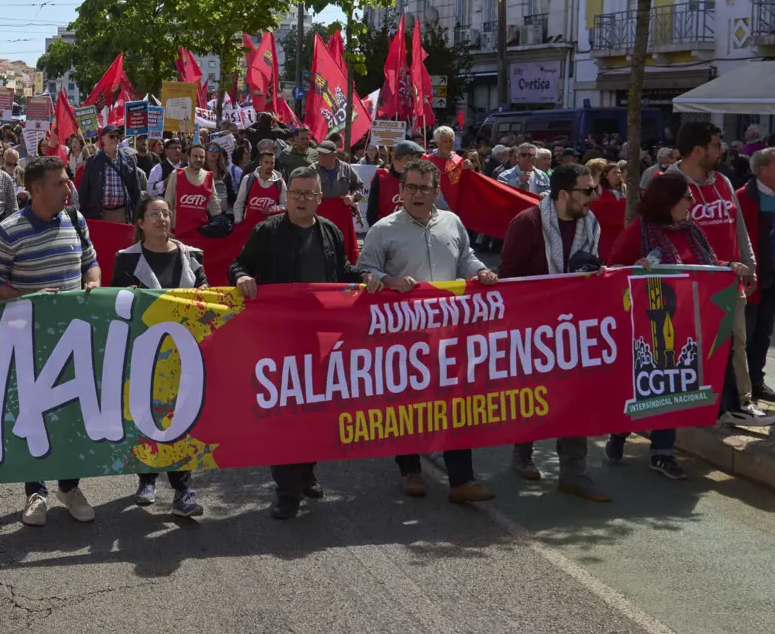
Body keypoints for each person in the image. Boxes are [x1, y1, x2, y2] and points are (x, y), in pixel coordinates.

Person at [606, 173, 770, 477]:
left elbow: (707, 262)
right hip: (651, 324)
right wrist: (634, 267)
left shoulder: (692, 230)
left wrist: (729, 266)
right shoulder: (637, 232)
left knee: (674, 385)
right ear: (668, 202)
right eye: (687, 198)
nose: (692, 203)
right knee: (650, 387)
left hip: (689, 323)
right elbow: (612, 269)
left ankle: (662, 452)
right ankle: (620, 431)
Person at [230, 166, 371, 520]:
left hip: (323, 338)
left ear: (320, 199)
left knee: (318, 411)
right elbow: (239, 264)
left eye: (309, 194)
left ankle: (307, 472)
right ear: (286, 195)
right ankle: (286, 491)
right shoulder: (267, 232)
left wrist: (370, 276)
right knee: (284, 415)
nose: (302, 200)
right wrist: (243, 276)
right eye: (296, 193)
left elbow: (342, 271)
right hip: (279, 340)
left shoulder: (331, 232)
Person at [359, 158, 498, 505]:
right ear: (401, 190)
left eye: (424, 188)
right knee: (407, 403)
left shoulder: (452, 222)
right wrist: (387, 279)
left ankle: (462, 479)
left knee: (455, 405)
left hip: (450, 333)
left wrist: (480, 272)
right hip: (404, 337)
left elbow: (466, 257)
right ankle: (410, 470)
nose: (417, 193)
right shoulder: (383, 229)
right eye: (410, 187)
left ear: (437, 191)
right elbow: (365, 269)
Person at [0, 156, 100, 526]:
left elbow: (90, 263)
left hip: (75, 339)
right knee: (34, 416)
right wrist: (26, 296)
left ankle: (69, 486)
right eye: (60, 183)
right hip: (29, 341)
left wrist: (93, 282)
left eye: (67, 181)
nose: (68, 188)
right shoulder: (8, 231)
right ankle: (36, 491)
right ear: (35, 189)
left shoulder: (76, 221)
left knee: (73, 416)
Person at [498, 164, 611, 501]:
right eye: (587, 191)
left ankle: (574, 473)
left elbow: (592, 266)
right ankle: (523, 455)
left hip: (576, 330)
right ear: (565, 195)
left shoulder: (590, 224)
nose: (594, 197)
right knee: (532, 396)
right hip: (533, 330)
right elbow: (508, 278)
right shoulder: (526, 224)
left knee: (576, 399)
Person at [110, 193, 206, 517]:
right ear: (140, 222)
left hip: (183, 354)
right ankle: (147, 478)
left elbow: (206, 294)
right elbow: (113, 305)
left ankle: (182, 490)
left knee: (181, 417)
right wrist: (127, 299)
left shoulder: (191, 256)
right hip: (144, 354)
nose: (162, 219)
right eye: (154, 214)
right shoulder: (125, 259)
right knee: (147, 415)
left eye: (166, 213)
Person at [666, 122, 766, 427]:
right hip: (689, 285)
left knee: (735, 341)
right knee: (694, 347)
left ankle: (739, 404)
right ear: (699, 150)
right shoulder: (669, 183)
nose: (721, 150)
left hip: (728, 279)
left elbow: (739, 229)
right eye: (716, 145)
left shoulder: (722, 181)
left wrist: (751, 265)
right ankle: (703, 404)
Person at [736, 147, 775, 403]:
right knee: (745, 335)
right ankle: (742, 389)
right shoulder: (743, 196)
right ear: (762, 169)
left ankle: (758, 382)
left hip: (773, 278)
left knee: (763, 333)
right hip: (753, 279)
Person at [78, 125, 141, 224]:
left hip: (123, 213)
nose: (115, 139)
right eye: (112, 136)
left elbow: (136, 190)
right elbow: (84, 191)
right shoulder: (93, 161)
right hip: (100, 213)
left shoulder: (129, 160)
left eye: (118, 136)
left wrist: (138, 215)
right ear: (103, 138)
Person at [166, 143, 222, 234]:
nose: (198, 159)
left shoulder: (208, 177)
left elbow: (214, 203)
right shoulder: (176, 174)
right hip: (179, 230)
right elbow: (168, 202)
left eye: (201, 157)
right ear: (188, 157)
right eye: (195, 156)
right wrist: (167, 230)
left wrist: (218, 222)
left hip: (201, 232)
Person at [367, 140, 424, 226]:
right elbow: (372, 213)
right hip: (385, 231)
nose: (421, 163)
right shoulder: (381, 177)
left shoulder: (419, 178)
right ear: (407, 158)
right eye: (418, 159)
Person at [233, 149, 286, 223]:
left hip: (269, 227)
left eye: (272, 163)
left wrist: (272, 209)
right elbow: (239, 203)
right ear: (260, 162)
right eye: (266, 162)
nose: (269, 166)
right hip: (248, 226)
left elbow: (285, 205)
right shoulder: (248, 179)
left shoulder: (280, 183)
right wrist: (238, 222)